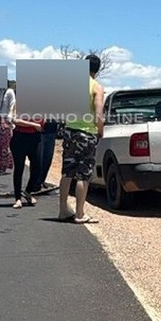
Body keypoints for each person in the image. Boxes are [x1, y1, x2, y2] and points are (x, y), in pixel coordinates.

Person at [58, 54, 104, 224]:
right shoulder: (96, 87)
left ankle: (63, 210)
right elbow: (98, 115)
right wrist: (100, 130)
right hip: (86, 133)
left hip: (70, 131)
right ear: (97, 69)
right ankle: (79, 213)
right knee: (83, 175)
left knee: (67, 172)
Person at [10, 110, 43, 209]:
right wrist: (33, 124)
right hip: (20, 137)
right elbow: (15, 120)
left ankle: (28, 191)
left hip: (35, 138)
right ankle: (18, 198)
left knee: (38, 166)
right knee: (19, 168)